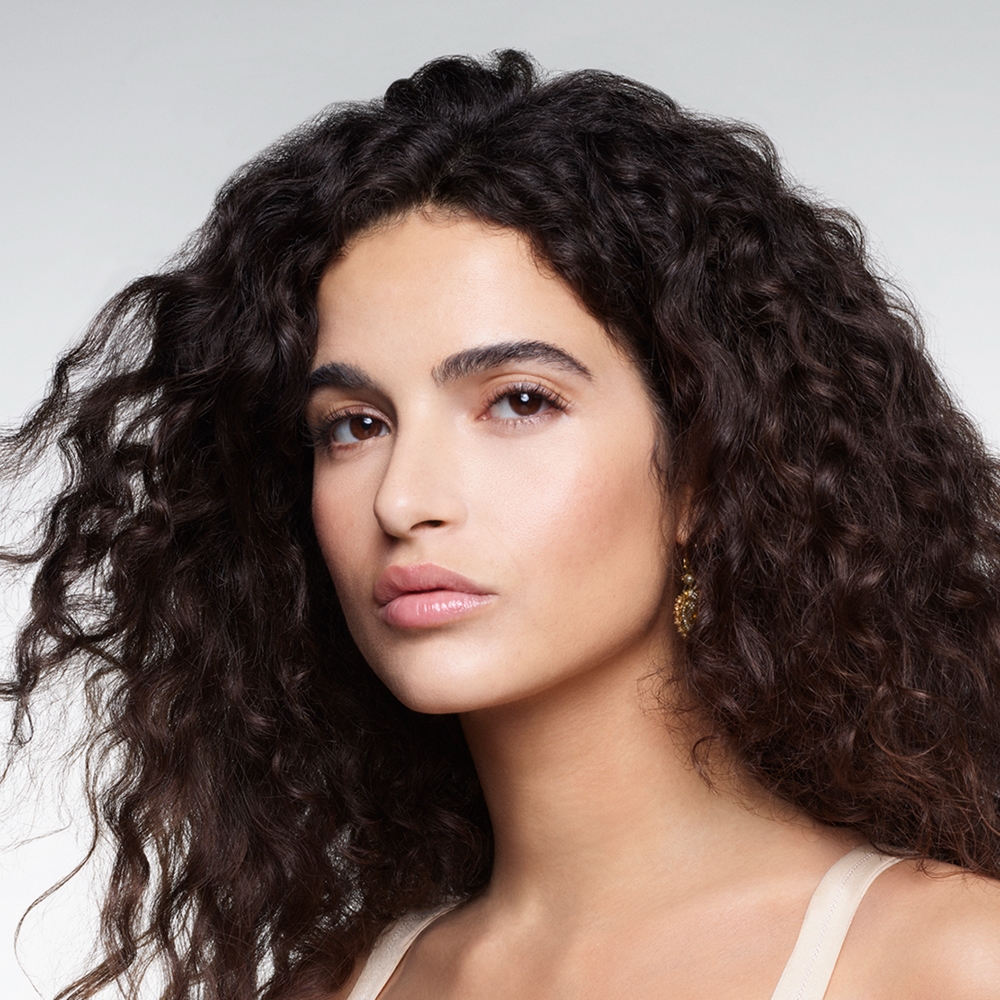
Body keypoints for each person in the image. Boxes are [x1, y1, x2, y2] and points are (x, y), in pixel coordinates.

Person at [3, 49, 1000, 1000]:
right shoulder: (331, 988)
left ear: (703, 469)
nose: (402, 501)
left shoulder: (949, 962)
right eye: (354, 425)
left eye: (519, 401)